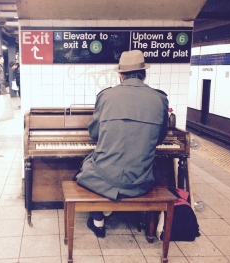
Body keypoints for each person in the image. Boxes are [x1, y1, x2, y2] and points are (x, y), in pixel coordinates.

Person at [74, 50, 169, 238]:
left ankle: (98, 221)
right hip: (142, 179)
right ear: (144, 73)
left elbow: (95, 134)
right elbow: (160, 138)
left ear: (121, 75)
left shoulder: (106, 96)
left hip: (105, 176)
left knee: (85, 168)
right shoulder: (160, 99)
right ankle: (137, 219)